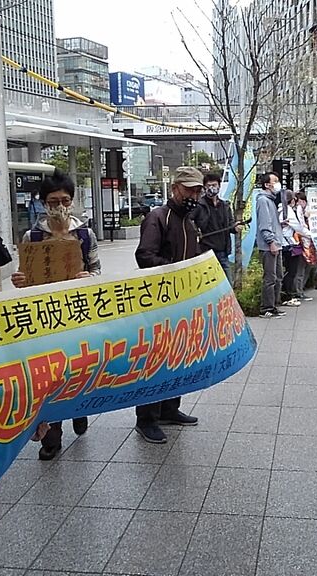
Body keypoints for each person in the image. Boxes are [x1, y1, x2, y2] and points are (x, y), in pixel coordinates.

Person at [10, 170, 97, 459]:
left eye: (65, 200)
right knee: (49, 375)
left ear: (72, 201)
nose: (59, 206)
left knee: (79, 368)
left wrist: (89, 277)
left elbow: (97, 270)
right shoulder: (32, 236)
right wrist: (19, 280)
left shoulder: (85, 234)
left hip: (78, 314)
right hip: (44, 317)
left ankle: (79, 409)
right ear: (43, 203)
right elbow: (23, 274)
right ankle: (51, 437)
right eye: (52, 201)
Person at [133, 167, 203, 443]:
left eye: (197, 190)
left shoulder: (189, 221)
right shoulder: (157, 217)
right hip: (158, 303)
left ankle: (169, 408)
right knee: (156, 360)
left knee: (178, 357)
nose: (194, 195)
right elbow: (145, 256)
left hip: (182, 302)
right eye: (189, 189)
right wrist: (176, 270)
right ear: (175, 188)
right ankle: (146, 418)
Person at [192, 172, 240, 284]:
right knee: (209, 284)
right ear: (204, 187)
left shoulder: (225, 205)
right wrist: (196, 232)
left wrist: (235, 227)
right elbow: (189, 220)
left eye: (214, 185)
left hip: (223, 251)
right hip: (206, 251)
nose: (211, 188)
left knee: (228, 284)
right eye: (208, 186)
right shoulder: (199, 205)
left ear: (219, 186)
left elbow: (230, 224)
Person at [255, 172, 288, 318]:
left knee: (278, 276)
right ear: (267, 184)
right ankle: (266, 308)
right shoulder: (263, 200)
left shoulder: (270, 200)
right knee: (270, 278)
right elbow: (264, 224)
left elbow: (270, 222)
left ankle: (274, 305)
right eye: (275, 181)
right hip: (270, 245)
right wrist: (271, 242)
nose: (278, 184)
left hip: (276, 243)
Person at [281, 190, 312, 304]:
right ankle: (289, 296)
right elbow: (298, 227)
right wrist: (312, 235)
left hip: (287, 243)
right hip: (288, 243)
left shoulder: (283, 209)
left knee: (288, 271)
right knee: (291, 271)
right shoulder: (287, 210)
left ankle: (288, 294)